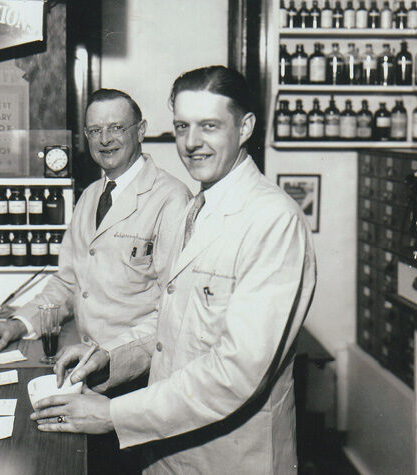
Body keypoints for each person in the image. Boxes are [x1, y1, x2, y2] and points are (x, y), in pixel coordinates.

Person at [31, 66, 317, 474]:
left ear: (246, 126)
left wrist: (115, 415)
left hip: (230, 459)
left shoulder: (274, 221)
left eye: (210, 126)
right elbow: (172, 327)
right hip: (168, 452)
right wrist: (108, 355)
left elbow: (235, 373)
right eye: (182, 126)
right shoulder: (196, 210)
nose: (192, 143)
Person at [0, 89, 191, 366]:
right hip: (85, 359)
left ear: (141, 131)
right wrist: (19, 323)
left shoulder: (171, 199)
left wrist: (110, 355)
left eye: (116, 128)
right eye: (94, 130)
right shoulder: (90, 196)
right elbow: (68, 282)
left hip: (138, 368)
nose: (105, 139)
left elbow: (174, 309)